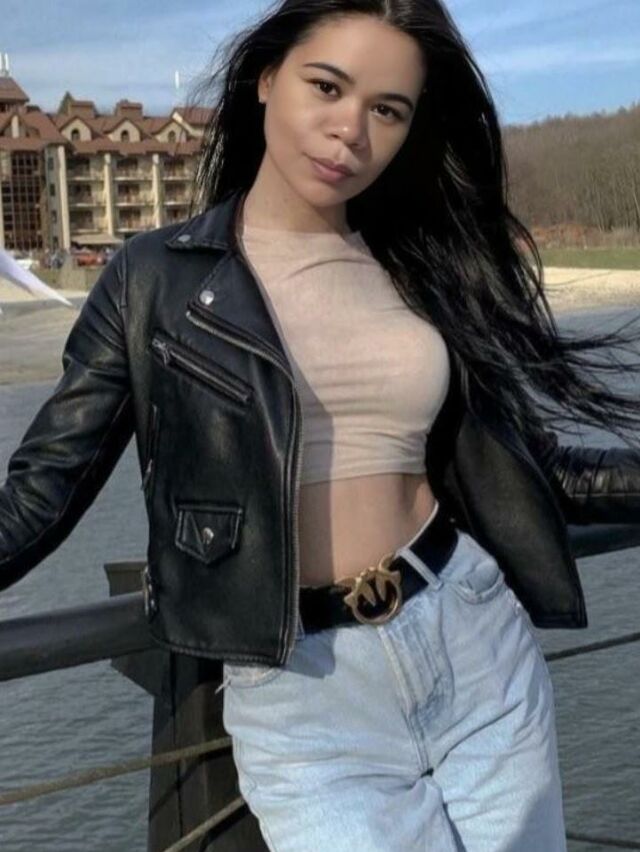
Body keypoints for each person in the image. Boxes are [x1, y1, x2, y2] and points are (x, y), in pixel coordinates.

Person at [1, 1, 639, 850]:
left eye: (388, 110)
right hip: (303, 691)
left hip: (472, 634)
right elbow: (43, 490)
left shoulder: (420, 265)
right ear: (267, 78)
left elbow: (537, 469)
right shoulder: (153, 278)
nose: (351, 131)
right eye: (327, 87)